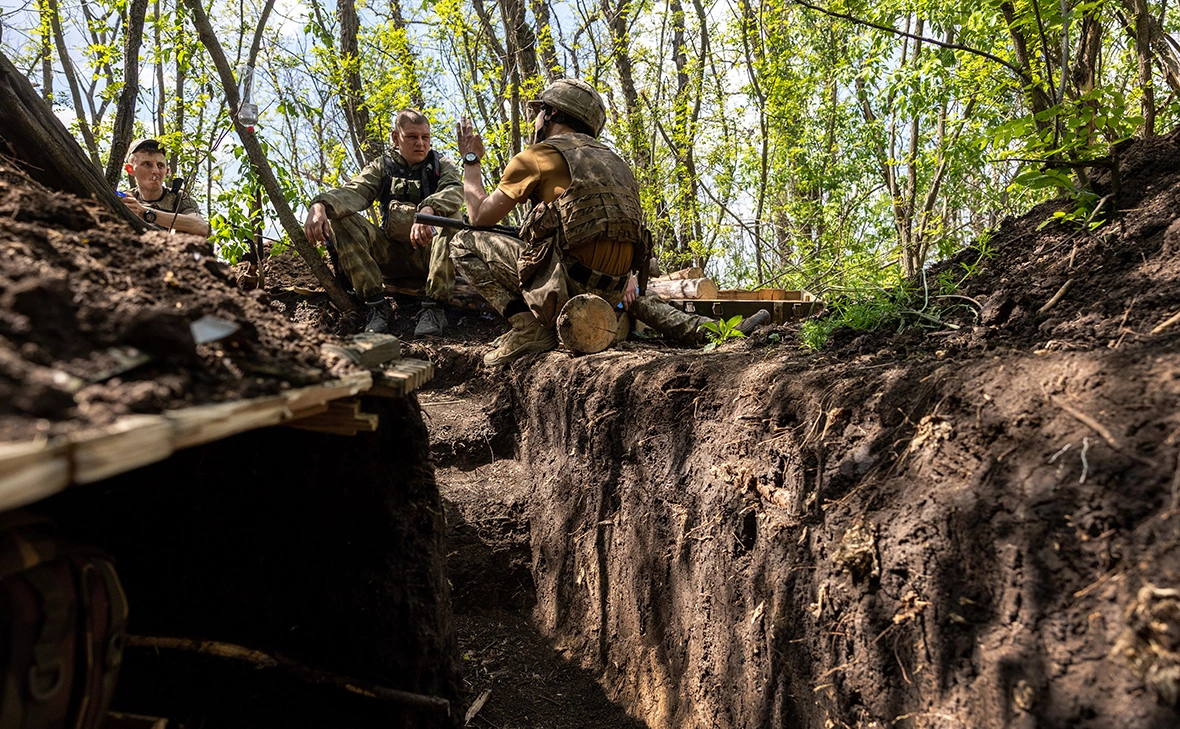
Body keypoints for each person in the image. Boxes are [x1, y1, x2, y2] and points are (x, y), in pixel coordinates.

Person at [453, 78, 759, 367]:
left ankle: (528, 328)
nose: (535, 121)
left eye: (538, 112)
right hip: (615, 290)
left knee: (462, 242)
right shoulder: (616, 163)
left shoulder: (537, 155)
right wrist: (626, 275)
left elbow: (480, 216)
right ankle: (713, 331)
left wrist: (470, 160)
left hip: (566, 288)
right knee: (645, 300)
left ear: (552, 113)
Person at [303, 109, 463, 334]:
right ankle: (377, 306)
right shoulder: (382, 167)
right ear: (396, 138)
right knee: (341, 218)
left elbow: (455, 191)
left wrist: (429, 209)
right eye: (412, 137)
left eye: (425, 137)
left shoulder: (441, 165)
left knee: (454, 219)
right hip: (389, 254)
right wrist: (320, 205)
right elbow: (354, 192)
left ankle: (435, 309)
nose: (420, 143)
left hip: (429, 256)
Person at [121, 138, 210, 237]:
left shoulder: (179, 199)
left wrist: (146, 213)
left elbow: (201, 227)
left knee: (182, 230)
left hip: (172, 250)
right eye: (147, 164)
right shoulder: (125, 199)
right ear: (130, 169)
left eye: (160, 166)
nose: (156, 171)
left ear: (166, 172)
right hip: (130, 249)